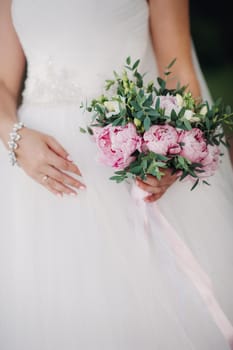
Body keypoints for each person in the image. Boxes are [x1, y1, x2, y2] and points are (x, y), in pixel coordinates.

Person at [0, 0, 233, 349]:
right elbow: (3, 78)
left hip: (128, 162)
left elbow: (178, 69)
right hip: (34, 169)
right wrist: (14, 136)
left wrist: (175, 152)